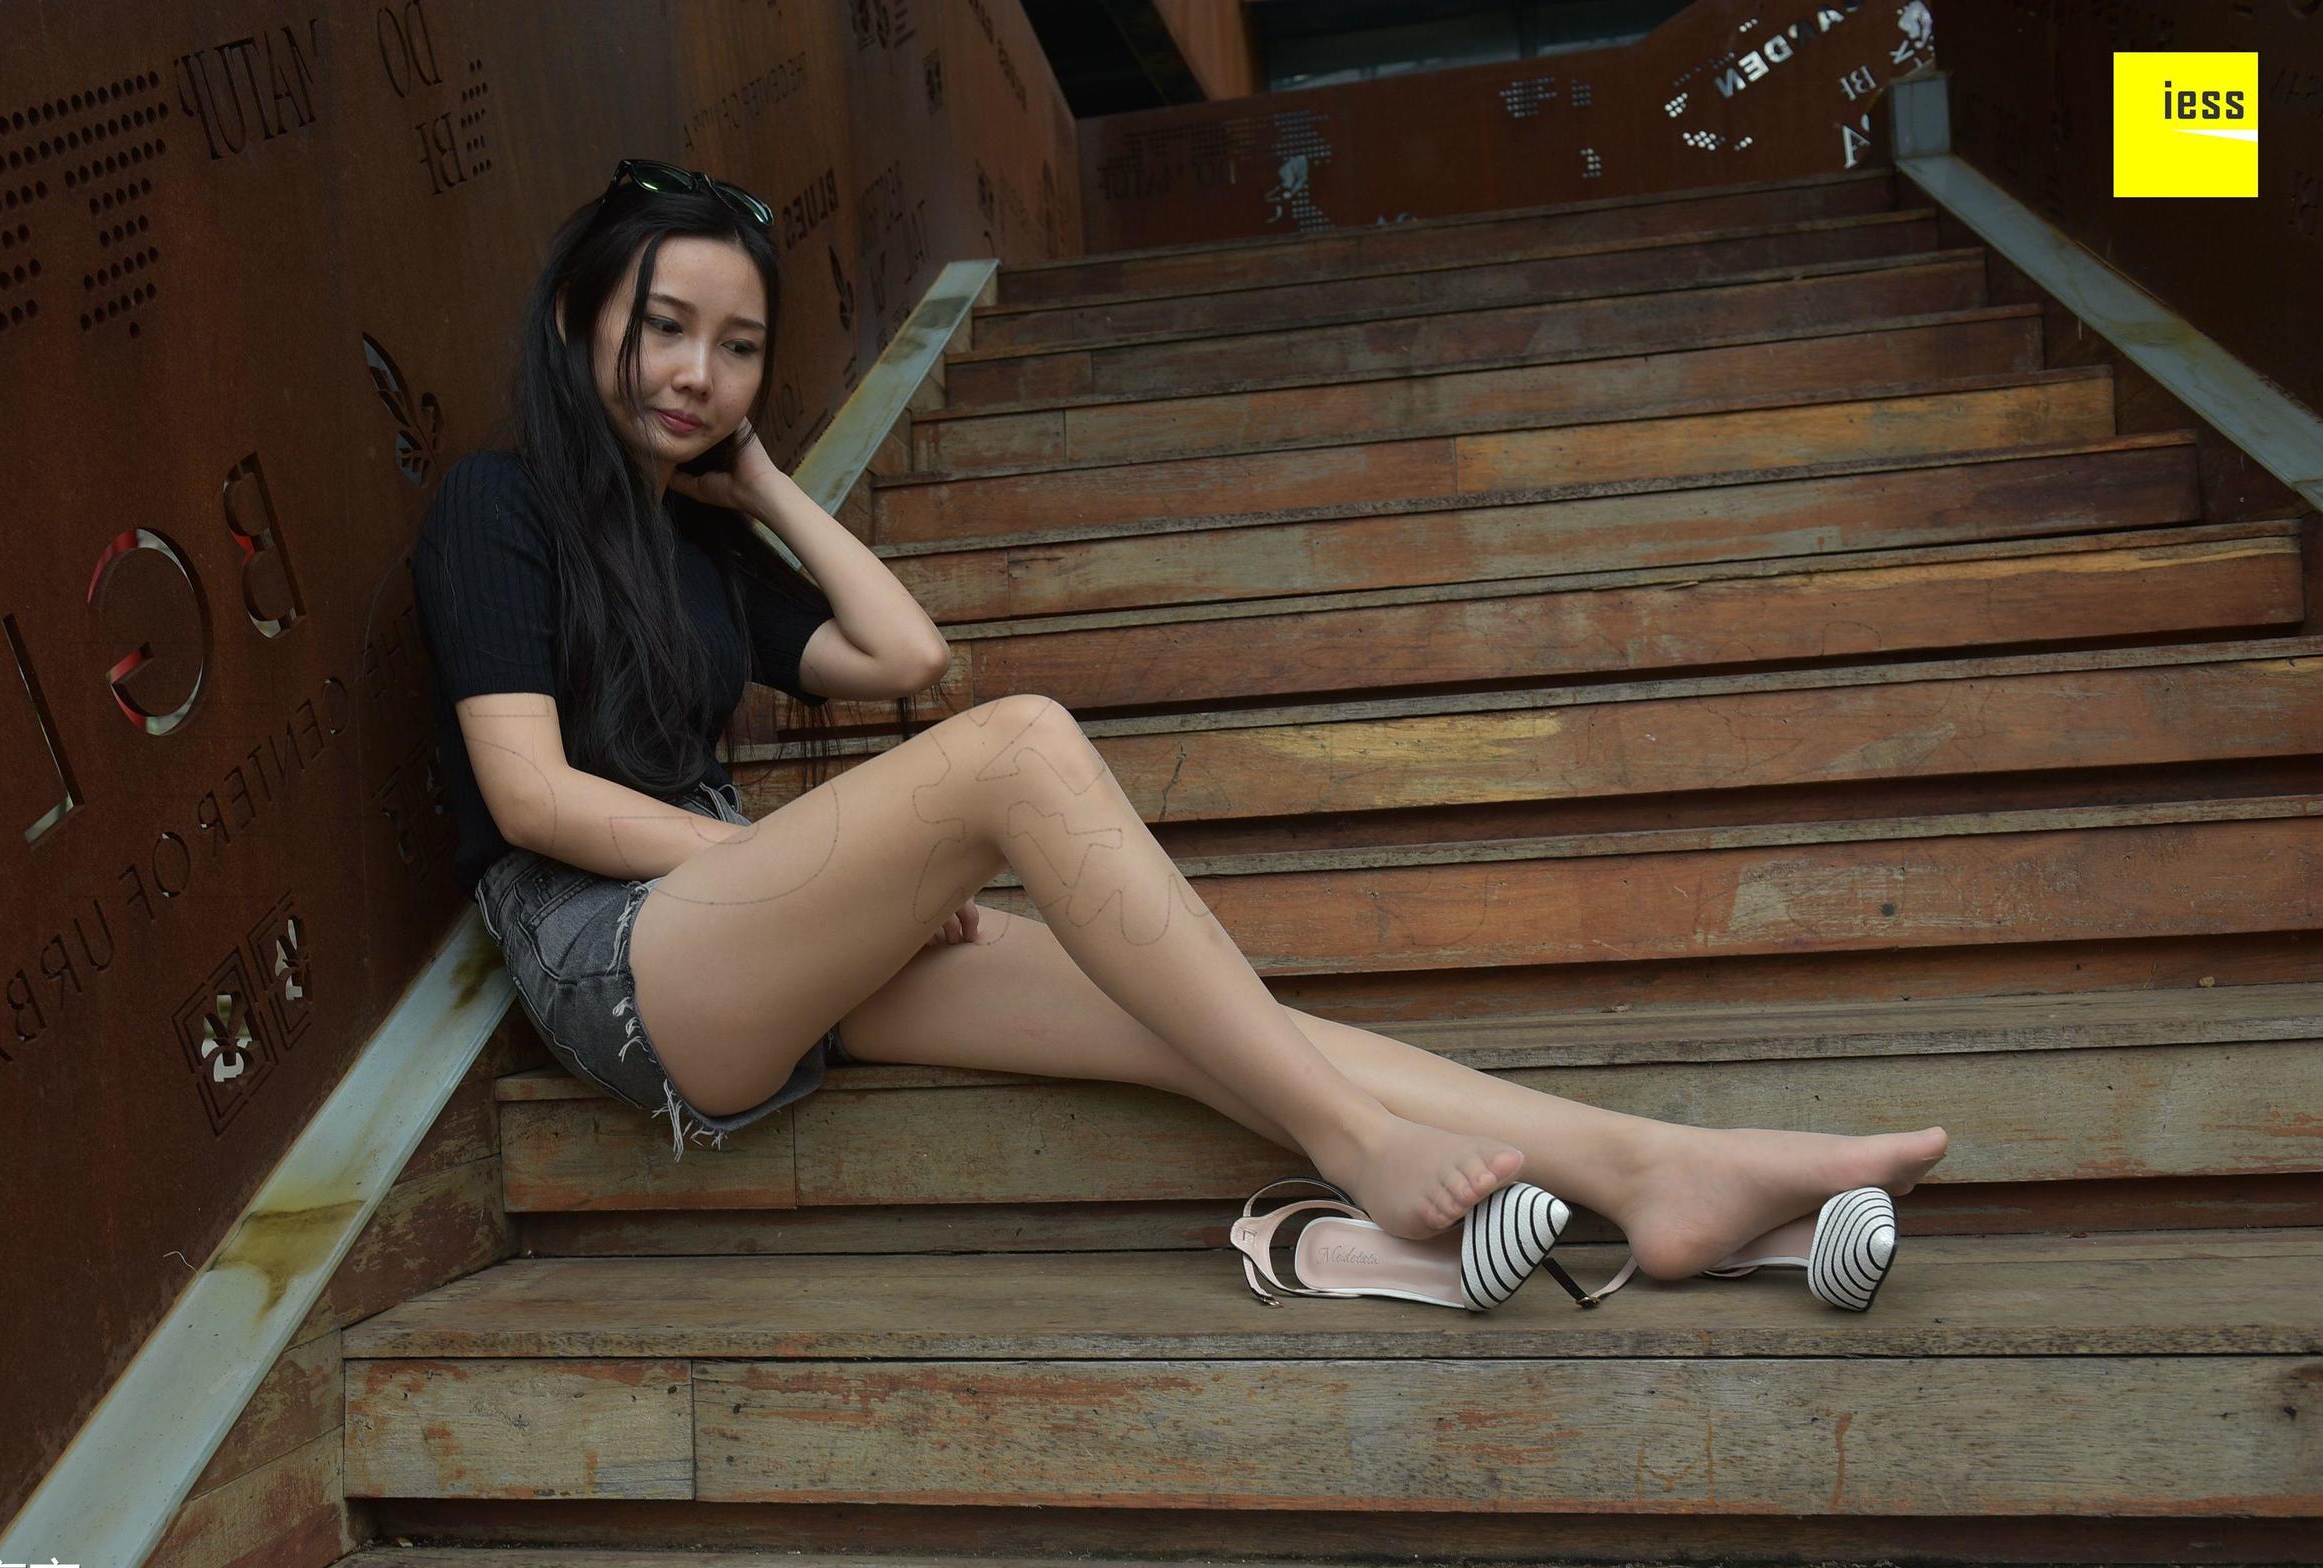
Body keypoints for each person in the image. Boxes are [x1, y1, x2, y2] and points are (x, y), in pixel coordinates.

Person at [413, 157, 1949, 1306]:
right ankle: (1359, 1150)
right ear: (574, 319)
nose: (698, 373)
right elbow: (532, 797)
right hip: (614, 959)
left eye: (738, 347)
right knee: (1020, 747)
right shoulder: (497, 507)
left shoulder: (695, 544)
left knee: (1192, 1013)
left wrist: (756, 480)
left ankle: (1653, 1169)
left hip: (745, 925)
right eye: (663, 328)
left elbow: (901, 655)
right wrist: (822, 874)